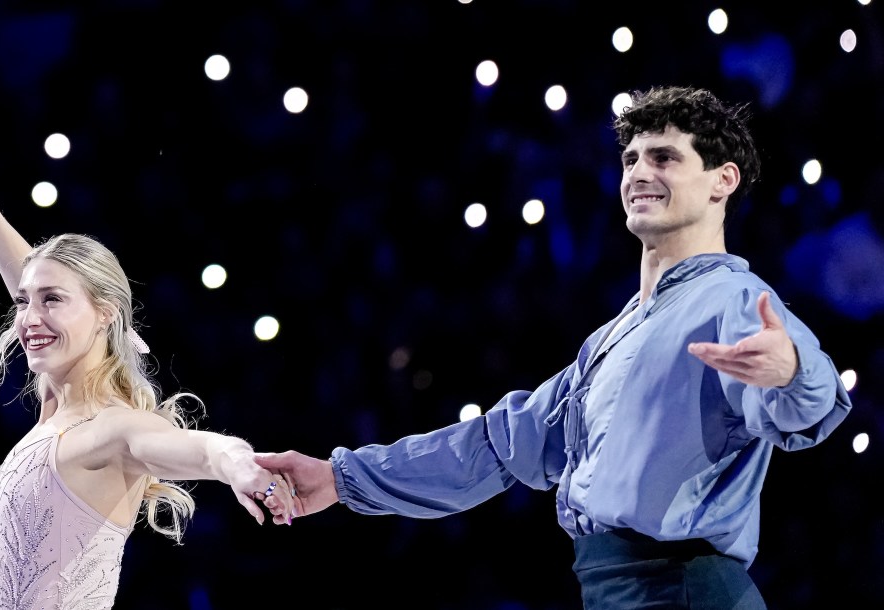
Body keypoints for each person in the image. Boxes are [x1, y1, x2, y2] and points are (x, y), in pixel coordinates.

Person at [254, 85, 853, 609]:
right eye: (631, 159)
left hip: (685, 592)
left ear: (724, 180)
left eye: (665, 157)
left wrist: (793, 371)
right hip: (618, 591)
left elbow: (811, 404)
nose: (639, 173)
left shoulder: (734, 299)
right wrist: (341, 477)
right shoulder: (611, 337)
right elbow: (492, 446)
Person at [0, 199, 295, 609]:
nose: (30, 318)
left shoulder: (109, 429)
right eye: (22, 301)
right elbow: (41, 289)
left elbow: (208, 450)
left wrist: (239, 465)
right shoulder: (57, 407)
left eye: (51, 300)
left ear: (105, 314)